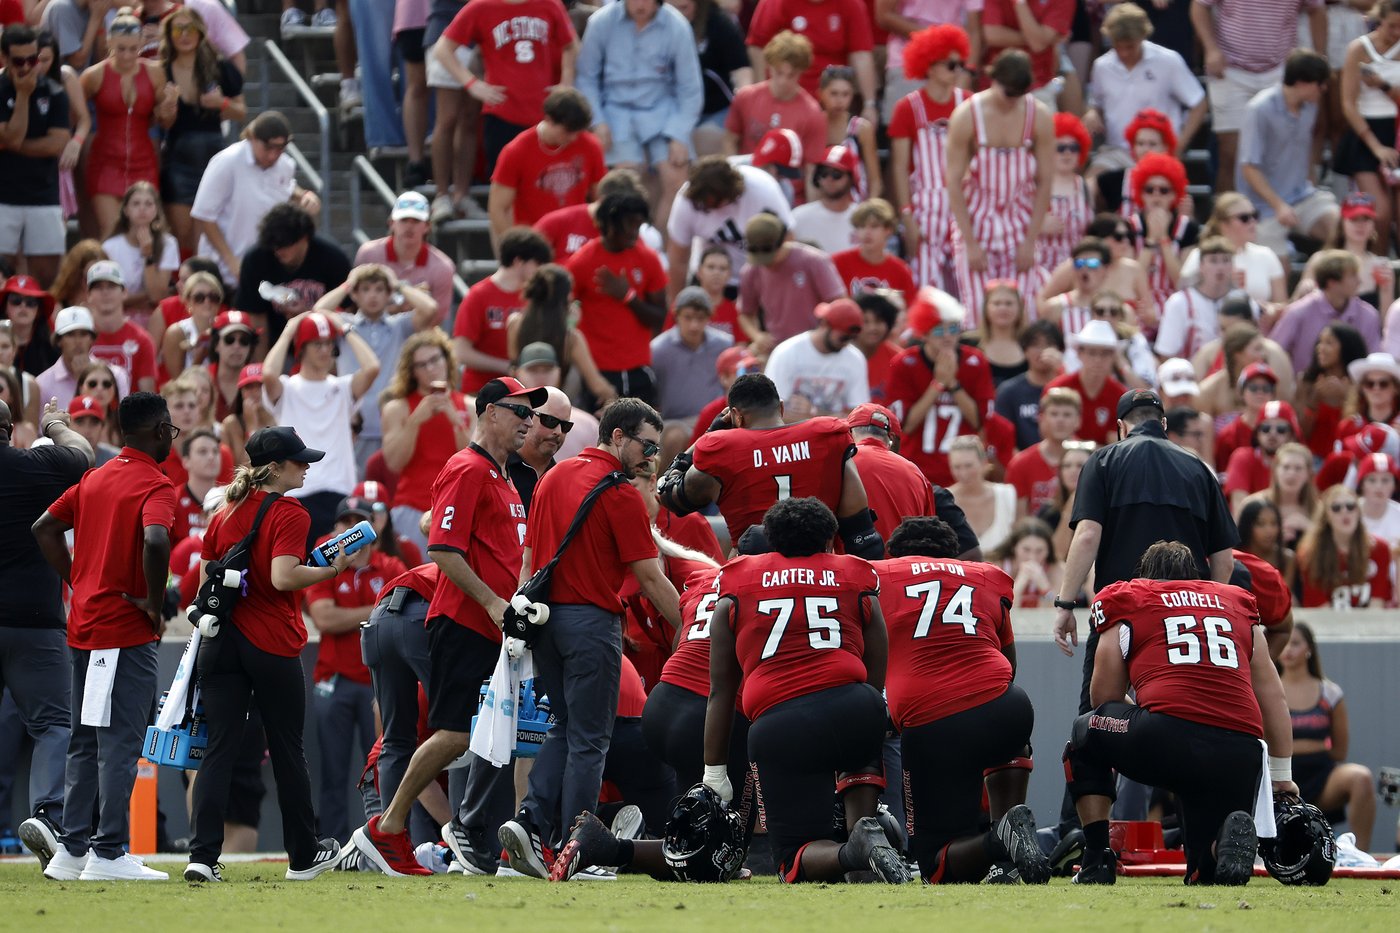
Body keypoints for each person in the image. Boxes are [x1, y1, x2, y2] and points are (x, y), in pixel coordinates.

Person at [350, 376, 547, 877]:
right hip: (463, 620)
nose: (528, 421)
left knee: (486, 733)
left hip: (491, 622)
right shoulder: (468, 467)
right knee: (457, 734)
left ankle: (463, 831)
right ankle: (389, 827)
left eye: (531, 413)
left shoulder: (503, 476)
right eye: (518, 410)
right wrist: (492, 603)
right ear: (489, 413)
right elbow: (441, 547)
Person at [498, 399, 682, 878]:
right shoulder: (619, 493)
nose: (652, 457)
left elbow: (530, 558)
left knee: (563, 728)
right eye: (646, 445)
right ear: (618, 436)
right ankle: (575, 848)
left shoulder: (553, 478)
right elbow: (650, 577)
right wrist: (690, 628)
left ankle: (531, 820)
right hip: (590, 625)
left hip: (543, 621)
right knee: (590, 742)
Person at [1063, 540, 1298, 885]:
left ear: (1145, 577)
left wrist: (1150, 718)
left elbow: (1104, 697)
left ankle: (1097, 860)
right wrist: (1281, 775)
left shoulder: (1130, 597)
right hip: (1241, 752)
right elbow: (1273, 696)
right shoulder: (1236, 603)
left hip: (1167, 738)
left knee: (1085, 734)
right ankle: (1218, 851)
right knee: (1204, 872)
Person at [699, 496, 905, 884]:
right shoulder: (854, 572)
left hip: (780, 721)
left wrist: (714, 771)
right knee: (857, 757)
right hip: (854, 703)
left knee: (795, 855)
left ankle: (855, 852)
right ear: (830, 540)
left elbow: (720, 690)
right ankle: (865, 843)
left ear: (772, 540)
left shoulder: (737, 578)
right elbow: (879, 654)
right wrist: (868, 707)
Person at [182, 426, 348, 882]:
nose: (307, 466)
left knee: (218, 750)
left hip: (222, 642)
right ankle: (303, 856)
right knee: (288, 750)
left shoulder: (222, 511)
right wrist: (331, 569)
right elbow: (282, 577)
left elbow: (203, 583)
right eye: (298, 460)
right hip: (271, 643)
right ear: (274, 468)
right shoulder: (289, 512)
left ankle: (200, 857)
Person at [28, 392, 175, 881]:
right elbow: (156, 540)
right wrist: (154, 603)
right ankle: (108, 852)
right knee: (119, 741)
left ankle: (72, 852)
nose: (171, 438)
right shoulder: (155, 484)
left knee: (85, 738)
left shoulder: (94, 478)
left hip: (84, 625)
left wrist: (76, 579)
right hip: (124, 629)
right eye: (170, 430)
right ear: (156, 432)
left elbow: (44, 527)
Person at [874, 516, 1045, 884]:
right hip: (1007, 707)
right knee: (1010, 733)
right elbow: (1009, 664)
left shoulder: (880, 574)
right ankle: (1009, 830)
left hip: (934, 718)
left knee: (935, 865)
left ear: (894, 554)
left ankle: (1002, 840)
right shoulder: (984, 574)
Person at [1052, 389, 1239, 719]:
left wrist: (1066, 603)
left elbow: (1086, 537)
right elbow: (1225, 559)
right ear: (1164, 423)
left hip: (1121, 611)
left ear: (1122, 426)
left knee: (1099, 718)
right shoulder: (1199, 468)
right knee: (1184, 716)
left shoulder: (1103, 461)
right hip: (1183, 618)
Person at [658, 372, 883, 559]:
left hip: (752, 576)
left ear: (736, 416)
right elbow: (861, 534)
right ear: (781, 408)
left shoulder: (722, 448)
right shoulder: (827, 435)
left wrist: (707, 436)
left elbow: (669, 495)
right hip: (820, 572)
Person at [4, 397, 91, 873]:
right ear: (10, 429)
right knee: (55, 723)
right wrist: (56, 423)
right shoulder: (34, 465)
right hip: (33, 619)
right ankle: (48, 815)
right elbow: (82, 455)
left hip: (30, 619)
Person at [304, 498, 409, 844]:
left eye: (357, 522)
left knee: (382, 768)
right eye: (343, 522)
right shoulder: (325, 564)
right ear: (335, 529)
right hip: (334, 680)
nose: (349, 529)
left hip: (377, 686)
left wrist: (357, 615)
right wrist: (376, 610)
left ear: (371, 529)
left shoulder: (390, 565)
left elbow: (403, 618)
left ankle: (383, 840)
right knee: (333, 773)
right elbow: (324, 618)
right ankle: (333, 844)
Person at [576, 0, 703, 236]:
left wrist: (678, 134)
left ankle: (661, 247)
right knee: (625, 182)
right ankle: (626, 242)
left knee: (678, 179)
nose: (640, 5)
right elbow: (586, 78)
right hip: (615, 111)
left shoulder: (677, 25)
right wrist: (598, 121)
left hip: (662, 111)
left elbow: (690, 88)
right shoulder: (601, 21)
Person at [946, 50, 1054, 325]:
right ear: (993, 80)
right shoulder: (967, 115)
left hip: (1020, 221)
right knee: (977, 311)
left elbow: (1045, 182)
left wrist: (1031, 239)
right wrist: (969, 242)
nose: (1012, 101)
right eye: (1008, 93)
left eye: (1019, 94)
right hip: (977, 219)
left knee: (1025, 310)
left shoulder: (1038, 116)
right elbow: (954, 183)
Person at [261, 310, 381, 544]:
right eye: (317, 344)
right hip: (297, 492)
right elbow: (268, 374)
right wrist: (289, 331)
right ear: (302, 349)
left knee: (336, 572)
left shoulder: (343, 387)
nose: (325, 350)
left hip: (339, 493)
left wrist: (344, 329)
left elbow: (372, 367)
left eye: (329, 344)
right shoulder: (287, 388)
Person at [1191, 0, 1326, 195]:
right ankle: (1228, 220)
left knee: (1288, 151)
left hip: (1281, 71)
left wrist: (1318, 58)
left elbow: (1317, 10)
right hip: (1230, 69)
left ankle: (1287, 213)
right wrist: (1211, 48)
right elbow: (1199, 6)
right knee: (1230, 154)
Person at [313, 263, 440, 468]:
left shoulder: (400, 326)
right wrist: (348, 284)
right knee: (357, 493)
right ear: (355, 295)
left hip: (392, 423)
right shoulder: (345, 324)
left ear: (389, 294)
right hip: (353, 425)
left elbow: (430, 308)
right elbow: (319, 310)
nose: (373, 296)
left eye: (380, 289)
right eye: (365, 289)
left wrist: (397, 284)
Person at [432, 0, 580, 173]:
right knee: (505, 182)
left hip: (543, 113)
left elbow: (571, 45)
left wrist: (565, 84)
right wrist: (472, 84)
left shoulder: (550, 4)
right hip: (502, 112)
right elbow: (443, 49)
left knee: (542, 182)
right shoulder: (481, 6)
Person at [189, 111, 321, 285]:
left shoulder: (285, 165)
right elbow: (204, 216)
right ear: (252, 138)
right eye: (268, 147)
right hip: (223, 272)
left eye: (280, 148)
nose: (273, 155)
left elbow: (286, 187)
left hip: (265, 272)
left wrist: (304, 195)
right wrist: (232, 262)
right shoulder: (227, 162)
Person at [564, 190, 668, 409]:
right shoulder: (582, 261)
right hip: (597, 374)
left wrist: (628, 296)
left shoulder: (648, 259)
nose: (635, 232)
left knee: (646, 438)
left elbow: (660, 318)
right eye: (629, 224)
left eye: (639, 225)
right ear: (609, 223)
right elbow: (561, 308)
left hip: (640, 369)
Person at [889, 24, 972, 293]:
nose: (958, 70)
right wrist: (907, 216)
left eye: (960, 64)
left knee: (967, 282)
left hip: (965, 201)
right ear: (930, 65)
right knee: (926, 287)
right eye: (951, 64)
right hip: (925, 206)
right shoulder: (908, 107)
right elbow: (900, 168)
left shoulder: (971, 103)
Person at [158, 4, 247, 256]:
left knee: (206, 238)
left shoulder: (221, 68)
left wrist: (223, 104)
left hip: (213, 159)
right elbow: (161, 123)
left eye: (190, 29)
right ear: (169, 34)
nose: (184, 35)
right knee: (183, 237)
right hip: (177, 159)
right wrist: (168, 109)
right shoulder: (160, 71)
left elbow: (241, 111)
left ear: (201, 33)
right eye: (178, 29)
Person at [1280, 623, 1376, 851]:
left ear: (1309, 649)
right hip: (1279, 778)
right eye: (1285, 643)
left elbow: (1340, 751)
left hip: (1322, 777)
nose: (1288, 650)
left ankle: (1360, 856)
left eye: (1296, 643)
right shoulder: (1266, 689)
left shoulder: (1330, 693)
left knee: (1361, 778)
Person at [80, 11, 177, 236]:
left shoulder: (155, 72)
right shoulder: (93, 75)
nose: (126, 56)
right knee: (111, 233)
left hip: (143, 160)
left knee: (143, 231)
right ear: (109, 43)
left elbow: (166, 122)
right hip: (104, 162)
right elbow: (74, 117)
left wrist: (169, 109)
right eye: (120, 49)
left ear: (142, 43)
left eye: (133, 49)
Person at [1083, 3, 1206, 174]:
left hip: (1158, 151)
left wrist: (1178, 146)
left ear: (1143, 36)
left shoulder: (1168, 61)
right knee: (1090, 185)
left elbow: (1199, 104)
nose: (1124, 53)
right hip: (1116, 152)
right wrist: (1092, 113)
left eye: (1130, 47)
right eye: (1118, 47)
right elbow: (1096, 104)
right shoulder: (1101, 66)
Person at [886, 288, 992, 487]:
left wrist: (953, 385)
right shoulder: (904, 363)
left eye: (952, 329)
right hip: (918, 468)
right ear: (924, 333)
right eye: (938, 329)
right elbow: (905, 425)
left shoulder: (976, 361)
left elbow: (980, 421)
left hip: (961, 472)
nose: (946, 336)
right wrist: (938, 384)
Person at [1237, 50, 1337, 259]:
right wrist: (1279, 206)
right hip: (1264, 207)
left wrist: (1311, 177)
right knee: (1277, 268)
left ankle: (1318, 278)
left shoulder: (1311, 107)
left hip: (1302, 195)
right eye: (1320, 84)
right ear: (1302, 83)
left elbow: (1303, 146)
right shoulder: (1259, 109)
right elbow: (1249, 167)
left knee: (1340, 228)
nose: (1324, 89)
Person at [379, 331, 472, 553]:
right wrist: (414, 422)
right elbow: (393, 462)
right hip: (413, 507)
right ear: (411, 372)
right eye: (421, 365)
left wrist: (455, 420)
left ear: (447, 360)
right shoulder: (398, 407)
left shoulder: (469, 406)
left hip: (458, 508)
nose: (430, 369)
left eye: (434, 360)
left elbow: (476, 462)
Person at [846, 402, 979, 555]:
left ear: (849, 434)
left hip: (846, 575)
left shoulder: (839, 465)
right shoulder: (917, 475)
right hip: (904, 575)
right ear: (891, 441)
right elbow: (971, 553)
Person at [486, 89, 605, 250]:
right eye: (568, 131)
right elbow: (498, 208)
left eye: (579, 131)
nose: (574, 138)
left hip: (575, 241)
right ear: (549, 120)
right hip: (535, 240)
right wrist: (517, 247)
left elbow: (600, 197)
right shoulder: (517, 150)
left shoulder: (590, 145)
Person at [0, 23, 72, 288]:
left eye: (33, 59)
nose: (28, 67)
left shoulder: (55, 92)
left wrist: (10, 142)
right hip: (3, 197)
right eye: (20, 61)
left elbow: (55, 145)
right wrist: (22, 95)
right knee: (1, 273)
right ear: (4, 58)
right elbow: (12, 137)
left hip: (43, 197)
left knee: (45, 277)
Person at [664, 157, 793, 301]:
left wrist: (774, 281)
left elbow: (788, 238)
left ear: (733, 195)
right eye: (704, 204)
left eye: (714, 203)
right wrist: (676, 304)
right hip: (708, 279)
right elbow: (678, 260)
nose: (709, 208)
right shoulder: (687, 200)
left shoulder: (762, 188)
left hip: (758, 278)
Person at [231, 204, 352, 348]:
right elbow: (256, 317)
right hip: (275, 343)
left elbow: (347, 312)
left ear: (304, 237)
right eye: (273, 245)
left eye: (284, 244)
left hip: (324, 343)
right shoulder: (257, 259)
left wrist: (309, 314)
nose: (278, 250)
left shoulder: (332, 258)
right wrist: (261, 366)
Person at [454, 226, 553, 394]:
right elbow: (461, 352)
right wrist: (507, 367)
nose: (541, 270)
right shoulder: (479, 295)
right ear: (518, 261)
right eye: (537, 263)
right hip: (482, 392)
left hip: (523, 392)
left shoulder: (534, 296)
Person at [1336, 0, 1400, 256]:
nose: (1396, 32)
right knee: (1380, 214)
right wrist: (1376, 147)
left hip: (1397, 132)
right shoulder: (1358, 49)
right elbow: (1348, 104)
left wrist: (1383, 86)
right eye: (1392, 25)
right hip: (1365, 135)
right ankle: (1377, 273)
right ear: (1379, 20)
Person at [736, 212, 846, 353]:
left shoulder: (814, 261)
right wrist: (758, 336)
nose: (765, 262)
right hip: (777, 349)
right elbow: (745, 313)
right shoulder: (751, 271)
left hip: (816, 345)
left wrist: (824, 336)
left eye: (768, 254)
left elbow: (839, 303)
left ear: (783, 240)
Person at [1272, 250, 1382, 377]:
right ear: (1332, 283)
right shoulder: (1298, 312)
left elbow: (1374, 360)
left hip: (1354, 391)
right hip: (1305, 392)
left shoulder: (1369, 316)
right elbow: (1274, 352)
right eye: (1352, 276)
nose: (1359, 281)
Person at [723, 30, 826, 164]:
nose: (783, 81)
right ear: (769, 66)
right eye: (778, 72)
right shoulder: (745, 97)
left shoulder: (812, 113)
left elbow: (810, 166)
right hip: (749, 175)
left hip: (787, 181)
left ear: (802, 72)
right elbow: (730, 140)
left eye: (791, 75)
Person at [352, 192, 457, 322]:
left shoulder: (443, 267)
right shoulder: (368, 254)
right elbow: (357, 304)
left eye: (416, 220)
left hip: (419, 338)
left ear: (427, 227)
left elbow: (436, 319)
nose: (409, 226)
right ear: (391, 223)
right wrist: (405, 305)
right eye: (404, 220)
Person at [763, 298, 871, 418]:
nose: (847, 343)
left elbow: (858, 417)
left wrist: (814, 413)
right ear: (824, 325)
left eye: (853, 338)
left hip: (832, 433)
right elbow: (770, 413)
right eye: (844, 338)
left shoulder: (855, 358)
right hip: (792, 433)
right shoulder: (787, 352)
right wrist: (830, 417)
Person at [1297, 483, 1394, 608]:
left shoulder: (1380, 549)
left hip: (1372, 624)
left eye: (1350, 506)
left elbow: (1377, 603)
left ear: (1358, 512)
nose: (1345, 512)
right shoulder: (1309, 554)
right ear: (1326, 516)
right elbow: (1319, 608)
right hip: (1326, 623)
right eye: (1336, 508)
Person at [650, 286, 732, 424]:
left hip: (717, 420)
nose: (694, 325)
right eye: (688, 317)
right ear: (676, 316)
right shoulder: (658, 349)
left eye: (700, 318)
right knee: (674, 436)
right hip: (675, 422)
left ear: (709, 317)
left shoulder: (724, 344)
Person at [1044, 320, 1128, 448]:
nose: (1098, 360)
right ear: (1079, 353)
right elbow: (1047, 431)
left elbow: (1118, 442)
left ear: (1113, 357)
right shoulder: (1057, 387)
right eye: (1092, 352)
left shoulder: (1120, 395)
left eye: (1105, 353)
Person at [1005, 387, 1082, 519]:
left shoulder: (1093, 458)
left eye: (1067, 415)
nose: (1060, 420)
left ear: (1078, 420)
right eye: (1054, 414)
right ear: (1041, 419)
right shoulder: (1021, 463)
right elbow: (1019, 520)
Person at [833, 200, 917, 309]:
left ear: (888, 230)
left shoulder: (901, 270)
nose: (867, 232)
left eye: (874, 226)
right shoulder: (836, 263)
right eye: (862, 226)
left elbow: (909, 310)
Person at [506, 385, 574, 513]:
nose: (558, 432)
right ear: (528, 417)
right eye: (550, 420)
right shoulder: (499, 469)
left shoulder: (563, 480)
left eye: (565, 426)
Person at [1225, 400, 1301, 511]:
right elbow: (1240, 510)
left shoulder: (1300, 462)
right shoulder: (1242, 457)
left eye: (1281, 429)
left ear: (1292, 435)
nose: (1272, 433)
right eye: (1265, 428)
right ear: (1257, 433)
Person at [946, 435, 1015, 553]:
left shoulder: (1007, 494)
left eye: (969, 466)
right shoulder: (944, 499)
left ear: (983, 463)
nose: (963, 473)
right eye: (957, 467)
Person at [790, 144, 860, 254]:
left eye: (836, 174)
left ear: (851, 178)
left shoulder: (863, 219)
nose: (829, 179)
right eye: (824, 173)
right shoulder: (797, 217)